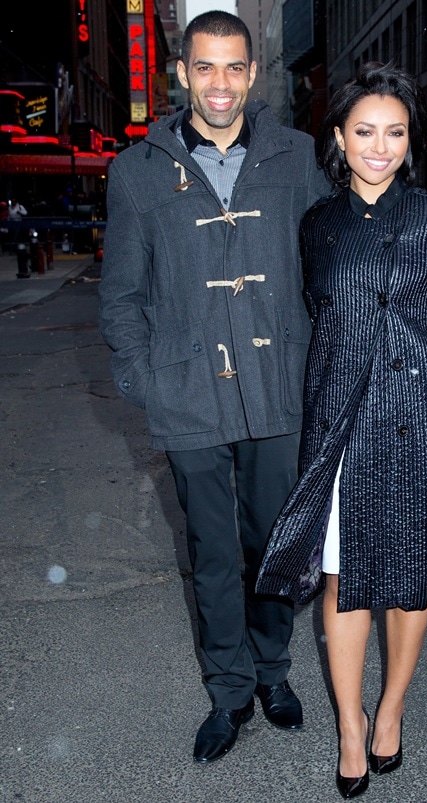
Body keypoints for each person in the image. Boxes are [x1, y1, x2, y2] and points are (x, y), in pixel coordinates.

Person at [257, 62, 427, 799]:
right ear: (339, 136)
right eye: (364, 131)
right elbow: (322, 316)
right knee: (345, 576)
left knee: (413, 576)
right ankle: (350, 728)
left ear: (408, 140)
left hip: (423, 424)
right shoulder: (319, 225)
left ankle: (390, 709)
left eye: (394, 132)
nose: (379, 146)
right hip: (343, 424)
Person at [98, 10, 330, 764]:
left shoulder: (297, 156)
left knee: (272, 544)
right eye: (205, 67)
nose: (220, 84)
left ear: (253, 72)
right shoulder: (137, 170)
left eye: (234, 67)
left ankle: (273, 670)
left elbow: (329, 265)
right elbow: (122, 294)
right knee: (211, 546)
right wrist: (144, 381)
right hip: (187, 390)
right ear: (183, 72)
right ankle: (229, 691)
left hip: (277, 386)